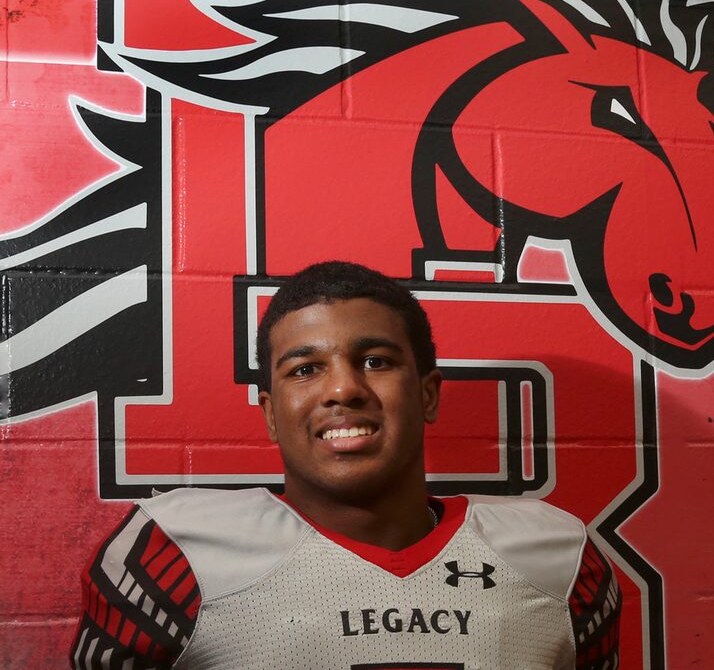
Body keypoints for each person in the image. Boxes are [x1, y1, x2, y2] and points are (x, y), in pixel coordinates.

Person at [71, 261, 621, 669]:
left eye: (375, 361)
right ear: (269, 412)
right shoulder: (170, 555)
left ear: (428, 395)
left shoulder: (561, 558)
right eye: (305, 369)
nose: (343, 389)